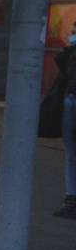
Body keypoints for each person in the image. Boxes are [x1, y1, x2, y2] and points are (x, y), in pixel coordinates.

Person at [53, 25, 74, 220]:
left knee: (72, 154)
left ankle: (71, 200)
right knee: (71, 153)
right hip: (71, 100)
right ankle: (71, 199)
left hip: (72, 100)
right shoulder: (71, 55)